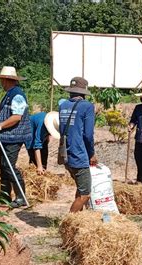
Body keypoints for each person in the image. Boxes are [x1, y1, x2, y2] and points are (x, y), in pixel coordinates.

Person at [0, 66, 32, 209]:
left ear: (6, 80)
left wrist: (0, 126)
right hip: (6, 136)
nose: (1, 83)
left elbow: (16, 117)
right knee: (3, 166)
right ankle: (5, 195)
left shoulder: (17, 95)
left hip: (14, 136)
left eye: (1, 80)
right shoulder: (9, 94)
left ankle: (20, 196)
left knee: (9, 166)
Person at [59, 77, 96, 213]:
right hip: (79, 154)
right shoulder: (87, 106)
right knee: (85, 194)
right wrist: (91, 154)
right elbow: (88, 135)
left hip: (65, 153)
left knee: (80, 188)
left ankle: (78, 220)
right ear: (84, 92)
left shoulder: (63, 105)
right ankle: (69, 221)